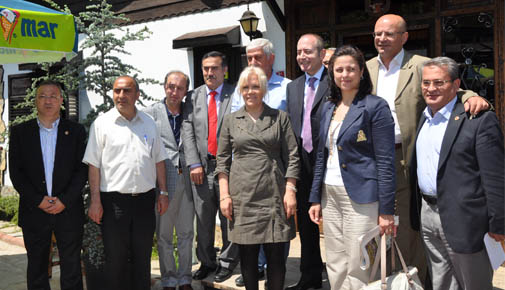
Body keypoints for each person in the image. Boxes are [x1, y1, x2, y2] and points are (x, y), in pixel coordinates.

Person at [366, 14, 490, 283]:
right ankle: (390, 283)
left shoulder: (421, 65)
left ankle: (416, 282)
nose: (381, 39)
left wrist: (472, 96)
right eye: (378, 33)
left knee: (412, 230)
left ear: (404, 37)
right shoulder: (366, 69)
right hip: (375, 161)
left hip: (409, 158)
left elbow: (448, 86)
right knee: (381, 230)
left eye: (389, 34)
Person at [410, 56, 504, 290]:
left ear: (455, 85)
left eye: (439, 83)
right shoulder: (424, 117)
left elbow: (495, 177)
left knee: (474, 284)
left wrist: (498, 223)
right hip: (427, 213)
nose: (431, 89)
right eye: (426, 83)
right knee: (441, 281)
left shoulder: (479, 119)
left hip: (466, 219)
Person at [308, 45, 396, 289]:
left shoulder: (375, 106)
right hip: (330, 193)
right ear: (332, 74)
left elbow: (386, 161)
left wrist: (386, 209)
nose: (344, 74)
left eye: (350, 69)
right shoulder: (328, 107)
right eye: (339, 70)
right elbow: (321, 157)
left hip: (362, 197)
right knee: (336, 261)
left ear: (361, 72)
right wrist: (315, 197)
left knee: (361, 262)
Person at [216, 66, 300, 290]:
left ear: (263, 89)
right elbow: (222, 161)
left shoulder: (279, 118)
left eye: (255, 86)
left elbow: (292, 156)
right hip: (242, 194)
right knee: (248, 257)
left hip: (274, 193)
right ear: (240, 91)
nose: (250, 91)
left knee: (276, 258)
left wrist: (290, 190)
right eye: (245, 87)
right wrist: (224, 196)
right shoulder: (231, 120)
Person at [84, 76, 169, 290]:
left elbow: (158, 159)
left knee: (142, 258)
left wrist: (164, 192)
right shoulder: (101, 124)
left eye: (127, 91)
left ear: (137, 94)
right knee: (116, 259)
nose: (121, 96)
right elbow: (93, 165)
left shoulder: (149, 123)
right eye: (117, 91)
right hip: (114, 203)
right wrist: (95, 201)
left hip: (144, 201)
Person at [9, 80, 88, 290]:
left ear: (61, 100)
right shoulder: (20, 133)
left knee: (71, 268)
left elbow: (82, 171)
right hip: (34, 212)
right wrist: (38, 200)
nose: (48, 100)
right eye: (43, 95)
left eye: (53, 96)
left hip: (68, 210)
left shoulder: (77, 132)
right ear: (36, 100)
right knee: (36, 269)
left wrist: (64, 200)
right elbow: (17, 174)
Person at [230, 37, 291, 287]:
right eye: (249, 58)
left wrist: (291, 186)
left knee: (276, 248)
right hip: (244, 185)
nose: (253, 62)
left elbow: (291, 146)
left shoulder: (287, 89)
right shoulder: (238, 93)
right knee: (249, 253)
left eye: (258, 57)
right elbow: (231, 142)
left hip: (275, 180)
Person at [182, 51, 239, 283]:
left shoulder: (236, 94)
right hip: (202, 168)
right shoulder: (193, 97)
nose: (209, 73)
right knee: (204, 219)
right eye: (205, 68)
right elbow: (187, 132)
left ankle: (227, 262)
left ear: (224, 70)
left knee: (229, 218)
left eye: (214, 68)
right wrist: (194, 162)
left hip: (230, 168)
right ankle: (207, 262)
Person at [143, 71, 194, 290]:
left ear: (185, 91)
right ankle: (169, 279)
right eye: (171, 86)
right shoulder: (150, 114)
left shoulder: (190, 112)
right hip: (163, 182)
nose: (174, 92)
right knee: (164, 235)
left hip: (190, 182)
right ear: (164, 87)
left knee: (186, 233)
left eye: (179, 88)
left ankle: (185, 279)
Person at [285, 33, 327, 290]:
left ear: (322, 54)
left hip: (328, 160)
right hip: (302, 162)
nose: (302, 56)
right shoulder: (294, 86)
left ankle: (339, 273)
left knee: (332, 220)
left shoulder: (335, 81)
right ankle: (309, 275)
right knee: (307, 224)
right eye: (299, 51)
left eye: (308, 51)